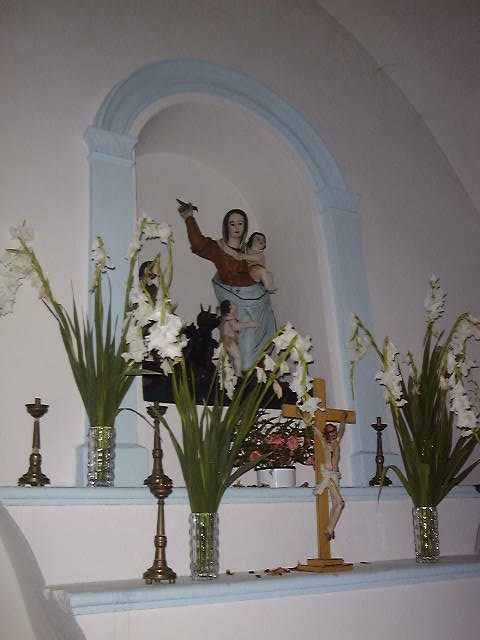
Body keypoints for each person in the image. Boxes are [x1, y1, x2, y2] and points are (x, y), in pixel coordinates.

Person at [177, 200, 276, 371]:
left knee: (259, 351)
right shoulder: (219, 249)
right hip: (236, 306)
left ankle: (257, 379)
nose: (236, 227)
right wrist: (189, 218)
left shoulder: (248, 251)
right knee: (243, 353)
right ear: (226, 226)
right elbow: (198, 244)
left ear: (245, 227)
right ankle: (243, 378)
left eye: (240, 223)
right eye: (232, 223)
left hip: (258, 304)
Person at [313, 411, 347, 541]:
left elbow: (342, 428)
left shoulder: (337, 442)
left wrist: (343, 418)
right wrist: (304, 418)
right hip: (328, 476)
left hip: (335, 475)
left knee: (336, 505)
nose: (333, 433)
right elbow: (315, 430)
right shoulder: (325, 443)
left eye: (334, 430)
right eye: (330, 431)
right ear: (326, 434)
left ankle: (330, 528)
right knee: (340, 503)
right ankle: (329, 529)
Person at [218, 299, 260, 375]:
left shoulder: (224, 318)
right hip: (229, 341)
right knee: (237, 357)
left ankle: (230, 373)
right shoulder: (229, 317)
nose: (235, 305)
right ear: (230, 308)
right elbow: (235, 327)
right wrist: (249, 324)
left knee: (228, 359)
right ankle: (238, 373)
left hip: (224, 341)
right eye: (233, 304)